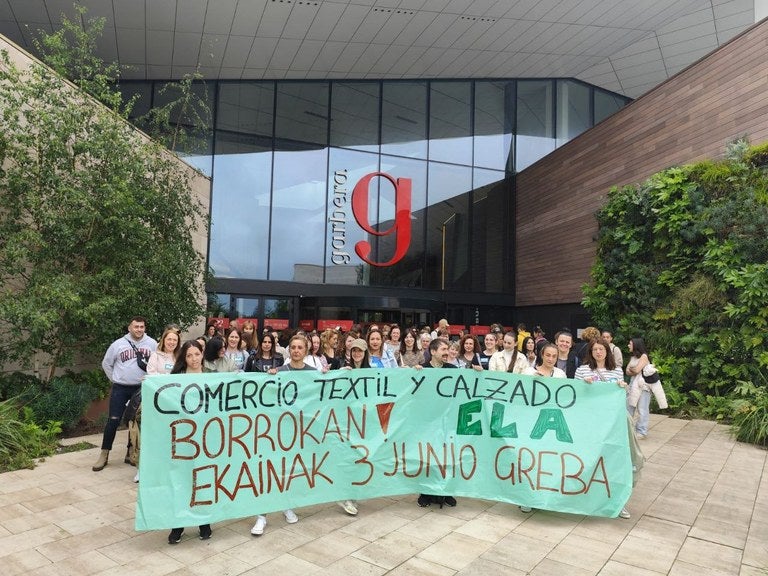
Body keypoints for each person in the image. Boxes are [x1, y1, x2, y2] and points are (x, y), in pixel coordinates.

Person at [252, 334, 313, 535]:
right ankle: (261, 515)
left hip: (299, 432)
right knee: (268, 470)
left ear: (306, 351)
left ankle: (286, 505)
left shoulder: (313, 373)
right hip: (276, 430)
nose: (296, 351)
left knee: (289, 471)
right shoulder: (278, 372)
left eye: (300, 348)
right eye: (293, 347)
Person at [573, 338, 632, 520]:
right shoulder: (582, 370)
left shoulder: (616, 370)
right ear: (590, 352)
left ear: (607, 351)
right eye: (595, 349)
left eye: (601, 349)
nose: (598, 352)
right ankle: (583, 496)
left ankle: (617, 502)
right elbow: (575, 395)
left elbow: (621, 397)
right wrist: (584, 386)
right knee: (588, 460)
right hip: (589, 424)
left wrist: (624, 388)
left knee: (612, 461)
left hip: (612, 424)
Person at [92, 316, 157, 472]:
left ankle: (131, 452)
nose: (139, 329)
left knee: (135, 421)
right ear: (129, 328)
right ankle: (104, 453)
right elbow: (106, 363)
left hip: (140, 387)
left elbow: (157, 362)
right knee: (113, 420)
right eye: (136, 327)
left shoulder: (152, 344)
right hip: (120, 388)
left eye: (142, 327)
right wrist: (115, 378)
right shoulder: (118, 344)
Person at [167, 339, 213, 543]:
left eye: (197, 354)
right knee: (182, 480)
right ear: (183, 359)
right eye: (189, 355)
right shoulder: (176, 378)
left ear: (202, 354)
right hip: (183, 437)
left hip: (208, 437)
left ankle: (205, 522)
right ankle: (178, 524)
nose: (194, 359)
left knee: (203, 479)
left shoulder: (213, 376)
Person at [417, 338, 458, 508]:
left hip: (447, 421)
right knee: (428, 456)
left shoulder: (453, 370)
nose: (447, 352)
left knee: (447, 456)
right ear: (432, 352)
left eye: (447, 349)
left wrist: (477, 373)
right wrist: (413, 374)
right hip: (427, 421)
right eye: (443, 349)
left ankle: (446, 491)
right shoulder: (423, 369)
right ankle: (426, 492)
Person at [625, 337, 667, 438]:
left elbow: (636, 370)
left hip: (643, 387)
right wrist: (633, 370)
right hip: (632, 386)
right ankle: (627, 429)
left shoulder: (644, 356)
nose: (628, 346)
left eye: (630, 344)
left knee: (642, 409)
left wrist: (633, 370)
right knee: (628, 407)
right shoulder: (633, 357)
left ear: (635, 345)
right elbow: (627, 371)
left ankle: (641, 431)